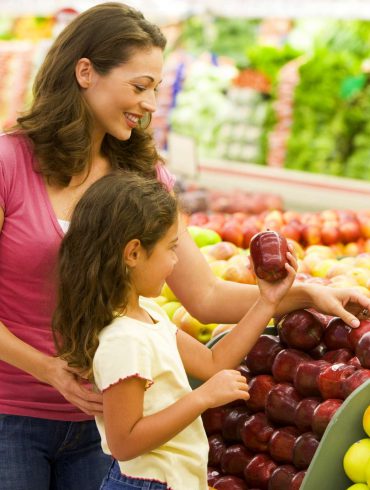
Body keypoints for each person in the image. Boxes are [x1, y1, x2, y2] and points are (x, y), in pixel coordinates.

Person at [0, 2, 369, 489]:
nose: (151, 104)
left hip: (112, 426)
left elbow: (205, 297)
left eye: (156, 87)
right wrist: (50, 371)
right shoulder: (9, 164)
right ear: (85, 72)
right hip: (12, 416)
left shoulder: (145, 179)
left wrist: (307, 291)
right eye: (139, 86)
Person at [52, 170, 298, 490]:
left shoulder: (149, 315)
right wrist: (202, 399)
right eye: (171, 249)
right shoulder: (123, 339)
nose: (174, 262)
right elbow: (125, 442)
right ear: (134, 253)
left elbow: (214, 362)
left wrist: (267, 302)